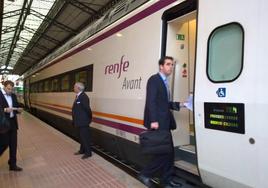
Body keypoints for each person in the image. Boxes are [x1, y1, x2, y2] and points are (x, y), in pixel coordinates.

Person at [138, 56, 184, 188]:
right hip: (158, 122)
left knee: (169, 153)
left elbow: (164, 103)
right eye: (168, 64)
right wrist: (153, 120)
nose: (171, 67)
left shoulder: (165, 82)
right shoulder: (154, 80)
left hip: (165, 122)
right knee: (165, 152)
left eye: (172, 64)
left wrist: (182, 104)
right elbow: (151, 101)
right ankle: (145, 174)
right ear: (161, 66)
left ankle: (166, 180)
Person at [0, 80, 23, 171]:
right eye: (8, 89)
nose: (10, 91)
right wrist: (5, 110)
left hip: (13, 123)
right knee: (4, 144)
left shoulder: (13, 95)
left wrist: (18, 110)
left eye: (11, 89)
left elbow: (16, 106)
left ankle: (12, 164)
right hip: (3, 123)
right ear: (4, 87)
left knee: (13, 144)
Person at [72, 82, 92, 159]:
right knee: (81, 137)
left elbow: (87, 109)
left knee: (85, 137)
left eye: (74, 87)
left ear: (78, 88)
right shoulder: (78, 96)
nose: (73, 88)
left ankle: (88, 153)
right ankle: (82, 150)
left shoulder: (84, 97)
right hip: (79, 121)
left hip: (83, 121)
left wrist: (88, 119)